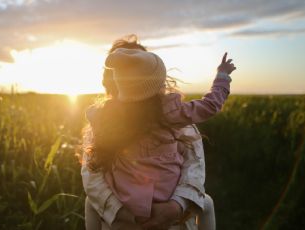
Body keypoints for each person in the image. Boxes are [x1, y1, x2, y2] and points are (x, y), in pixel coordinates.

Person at [81, 35, 235, 230]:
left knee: (90, 204)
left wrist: (175, 206)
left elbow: (194, 165)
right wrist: (222, 76)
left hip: (143, 208)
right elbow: (92, 177)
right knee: (208, 203)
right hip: (133, 214)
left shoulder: (104, 118)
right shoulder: (174, 114)